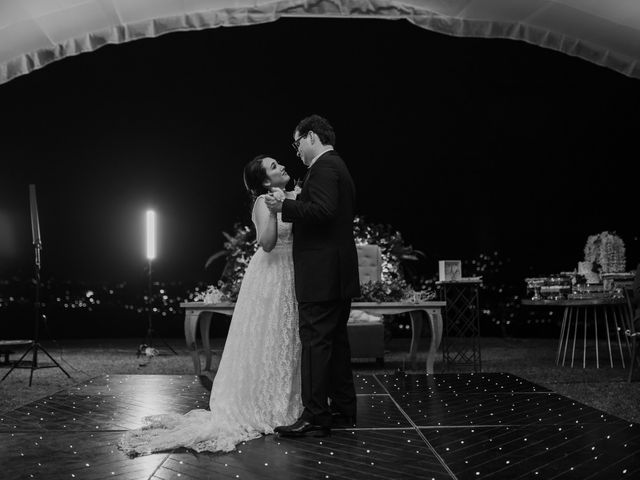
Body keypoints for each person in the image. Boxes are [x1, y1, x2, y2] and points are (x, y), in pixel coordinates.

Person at [118, 154, 302, 456]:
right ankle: (263, 404)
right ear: (266, 181)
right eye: (273, 166)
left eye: (278, 162)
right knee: (266, 339)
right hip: (270, 274)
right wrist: (274, 209)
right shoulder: (262, 203)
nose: (281, 165)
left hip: (291, 273)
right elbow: (267, 243)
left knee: (286, 341)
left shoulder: (293, 196)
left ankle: (288, 399)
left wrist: (290, 201)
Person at [265, 114, 360, 437]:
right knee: (336, 344)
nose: (296, 152)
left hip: (321, 275)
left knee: (315, 344)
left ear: (311, 138)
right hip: (337, 273)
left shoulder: (323, 168)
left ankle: (315, 414)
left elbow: (322, 211)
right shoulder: (338, 166)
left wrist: (284, 209)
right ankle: (344, 410)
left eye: (296, 143)